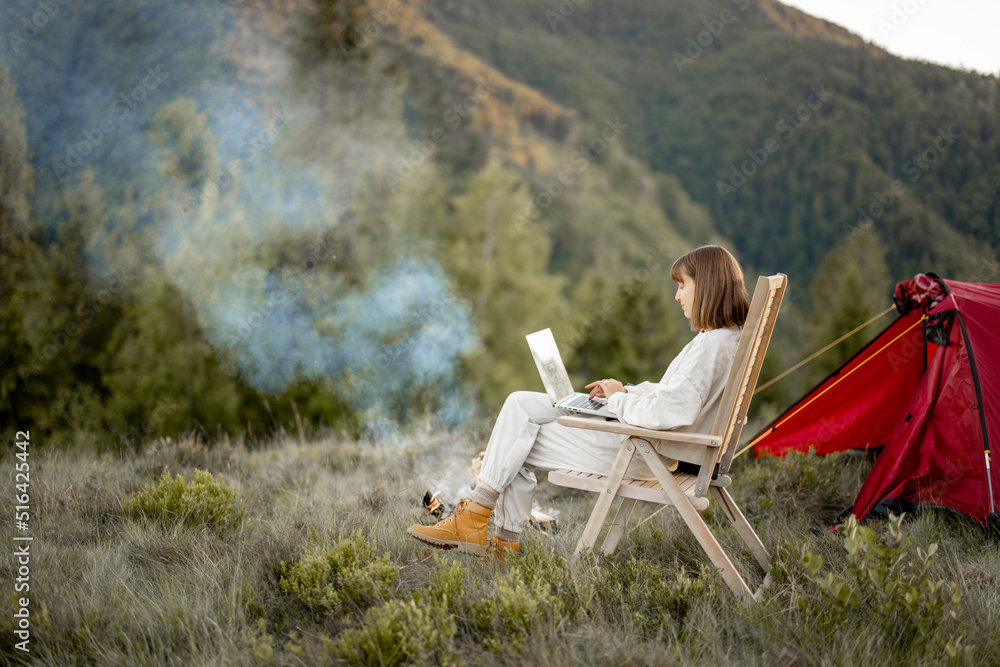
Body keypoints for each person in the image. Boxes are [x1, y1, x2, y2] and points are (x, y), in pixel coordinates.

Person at [407, 245, 750, 561]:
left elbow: (670, 411)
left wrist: (617, 399)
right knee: (519, 410)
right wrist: (624, 393)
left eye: (682, 286)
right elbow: (671, 395)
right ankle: (496, 535)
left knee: (517, 429)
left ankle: (484, 528)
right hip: (654, 448)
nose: (677, 296)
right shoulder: (723, 339)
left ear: (706, 288)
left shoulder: (710, 347)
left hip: (646, 455)